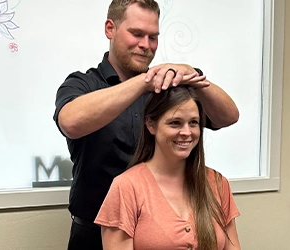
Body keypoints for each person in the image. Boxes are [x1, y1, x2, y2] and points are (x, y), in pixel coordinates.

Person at [53, 0, 239, 249]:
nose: (146, 45)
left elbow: (228, 116)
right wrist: (144, 81)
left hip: (159, 231)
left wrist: (190, 74)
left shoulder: (166, 87)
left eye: (153, 37)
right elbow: (71, 122)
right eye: (137, 34)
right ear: (110, 28)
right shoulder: (83, 84)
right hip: (92, 234)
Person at [94, 86, 241, 250]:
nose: (186, 132)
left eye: (193, 123)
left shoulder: (218, 183)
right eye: (175, 123)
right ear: (151, 125)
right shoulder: (126, 187)